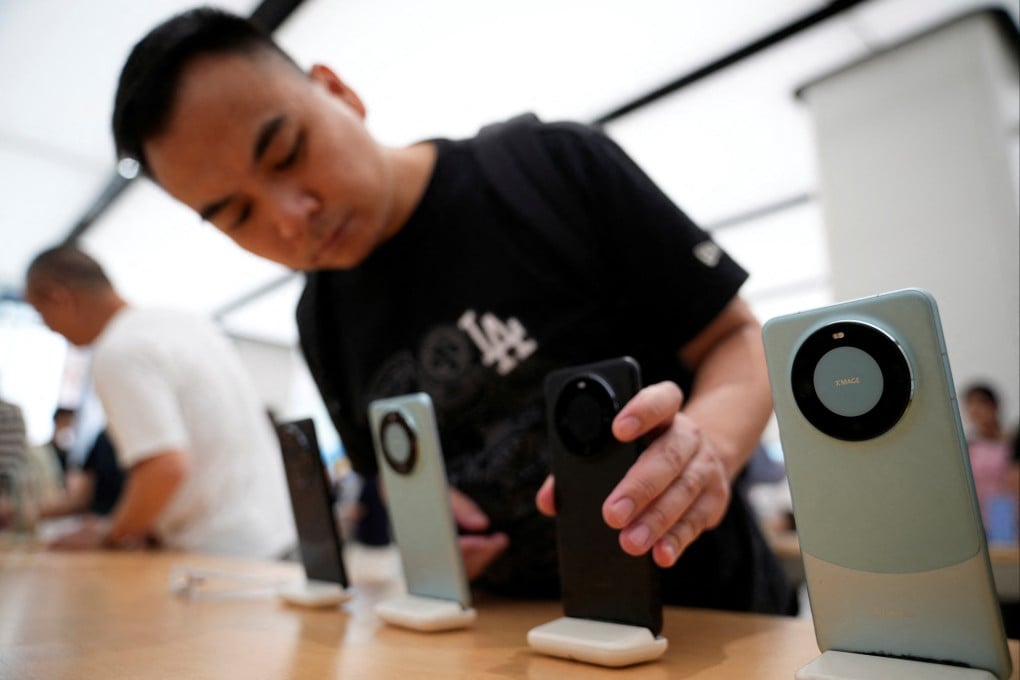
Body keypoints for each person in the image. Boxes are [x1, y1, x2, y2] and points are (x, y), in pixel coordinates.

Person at [111, 7, 794, 613]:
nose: (291, 219)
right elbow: (391, 476)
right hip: (509, 641)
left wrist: (708, 445)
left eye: (289, 153)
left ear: (339, 91)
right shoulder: (318, 324)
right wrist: (433, 527)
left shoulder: (547, 168)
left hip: (711, 615)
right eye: (237, 215)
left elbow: (737, 337)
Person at [23, 245, 296, 558]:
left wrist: (110, 535)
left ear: (58, 297)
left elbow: (165, 468)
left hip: (220, 552)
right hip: (275, 536)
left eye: (42, 315)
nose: (50, 328)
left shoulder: (120, 350)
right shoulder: (185, 323)